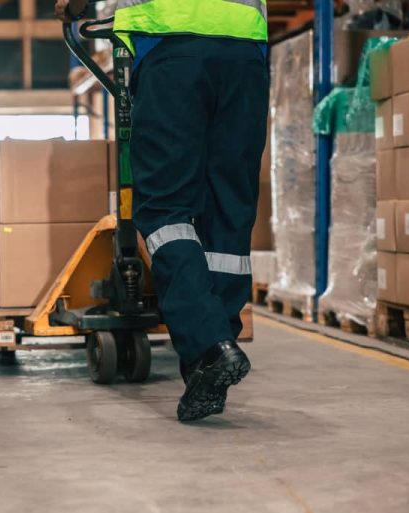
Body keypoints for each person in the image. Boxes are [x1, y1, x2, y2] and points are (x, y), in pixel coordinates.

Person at [56, 0, 269, 421]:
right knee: (229, 208)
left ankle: (210, 347)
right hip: (245, 50)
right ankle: (211, 356)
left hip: (174, 49)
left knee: (165, 211)